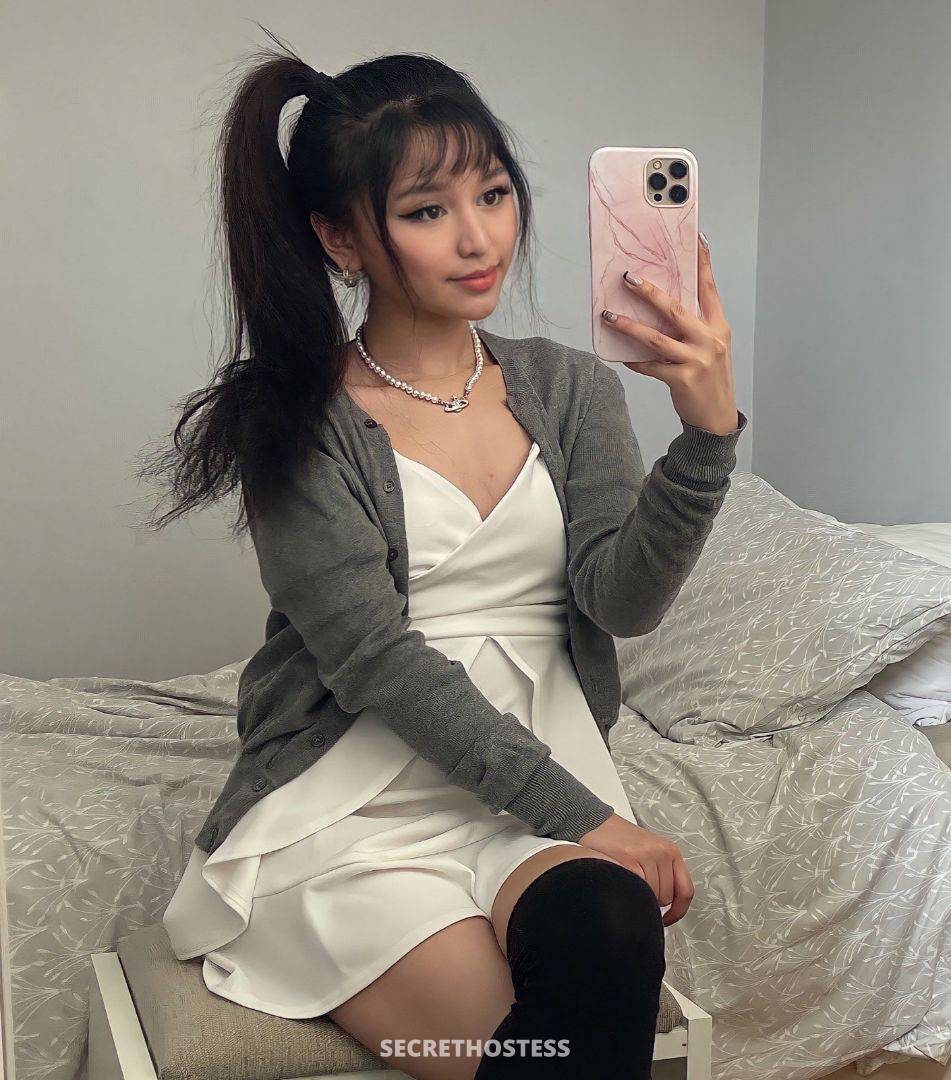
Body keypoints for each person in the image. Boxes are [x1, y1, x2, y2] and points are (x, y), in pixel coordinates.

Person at [142, 28, 746, 1080]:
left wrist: (704, 435)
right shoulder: (296, 420)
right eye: (427, 211)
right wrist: (591, 818)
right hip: (357, 805)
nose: (479, 238)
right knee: (550, 1051)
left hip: (532, 785)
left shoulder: (570, 387)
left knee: (608, 929)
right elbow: (375, 661)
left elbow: (620, 601)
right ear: (341, 238)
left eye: (494, 195)